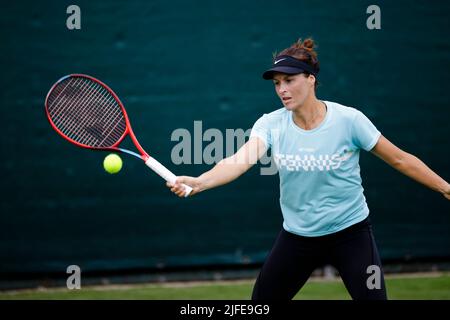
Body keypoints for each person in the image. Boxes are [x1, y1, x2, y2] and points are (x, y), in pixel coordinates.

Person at [167, 38, 450, 300]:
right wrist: (201, 182)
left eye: (289, 80)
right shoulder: (271, 124)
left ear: (311, 79)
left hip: (350, 232)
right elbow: (239, 160)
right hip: (298, 237)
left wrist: (446, 188)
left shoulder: (350, 120)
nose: (282, 90)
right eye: (277, 83)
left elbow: (400, 159)